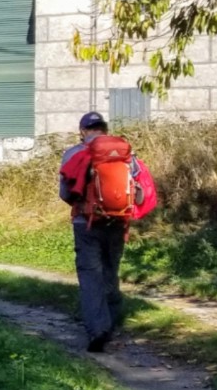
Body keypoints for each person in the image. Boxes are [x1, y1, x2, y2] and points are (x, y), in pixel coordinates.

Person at [57, 112, 158, 353]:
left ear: (83, 131)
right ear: (104, 128)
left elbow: (65, 193)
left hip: (86, 223)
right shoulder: (125, 152)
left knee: (91, 275)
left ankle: (98, 329)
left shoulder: (74, 153)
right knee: (110, 271)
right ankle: (111, 324)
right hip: (118, 220)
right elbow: (140, 190)